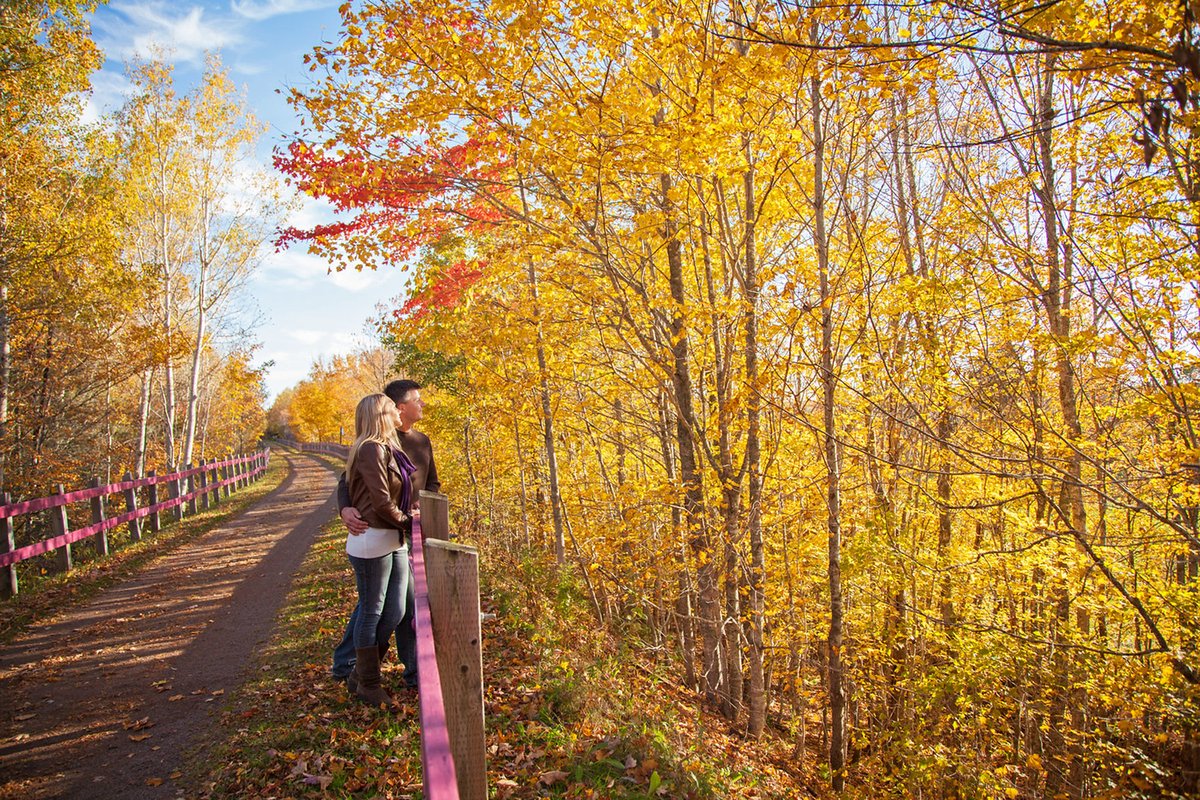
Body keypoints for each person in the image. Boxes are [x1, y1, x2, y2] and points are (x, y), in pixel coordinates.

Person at [331, 379, 441, 691]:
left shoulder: (419, 441)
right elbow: (348, 480)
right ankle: (355, 668)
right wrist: (344, 508)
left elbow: (432, 483)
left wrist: (424, 509)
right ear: (397, 408)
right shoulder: (376, 444)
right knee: (380, 604)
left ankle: (386, 671)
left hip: (404, 532)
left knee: (396, 606)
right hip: (388, 529)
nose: (422, 405)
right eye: (416, 400)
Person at [343, 393, 415, 707]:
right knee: (371, 613)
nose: (398, 410)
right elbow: (381, 501)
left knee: (396, 611)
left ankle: (361, 671)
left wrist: (405, 521)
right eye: (392, 408)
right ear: (382, 414)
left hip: (392, 538)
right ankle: (368, 683)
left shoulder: (387, 447)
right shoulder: (371, 448)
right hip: (372, 538)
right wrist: (410, 522)